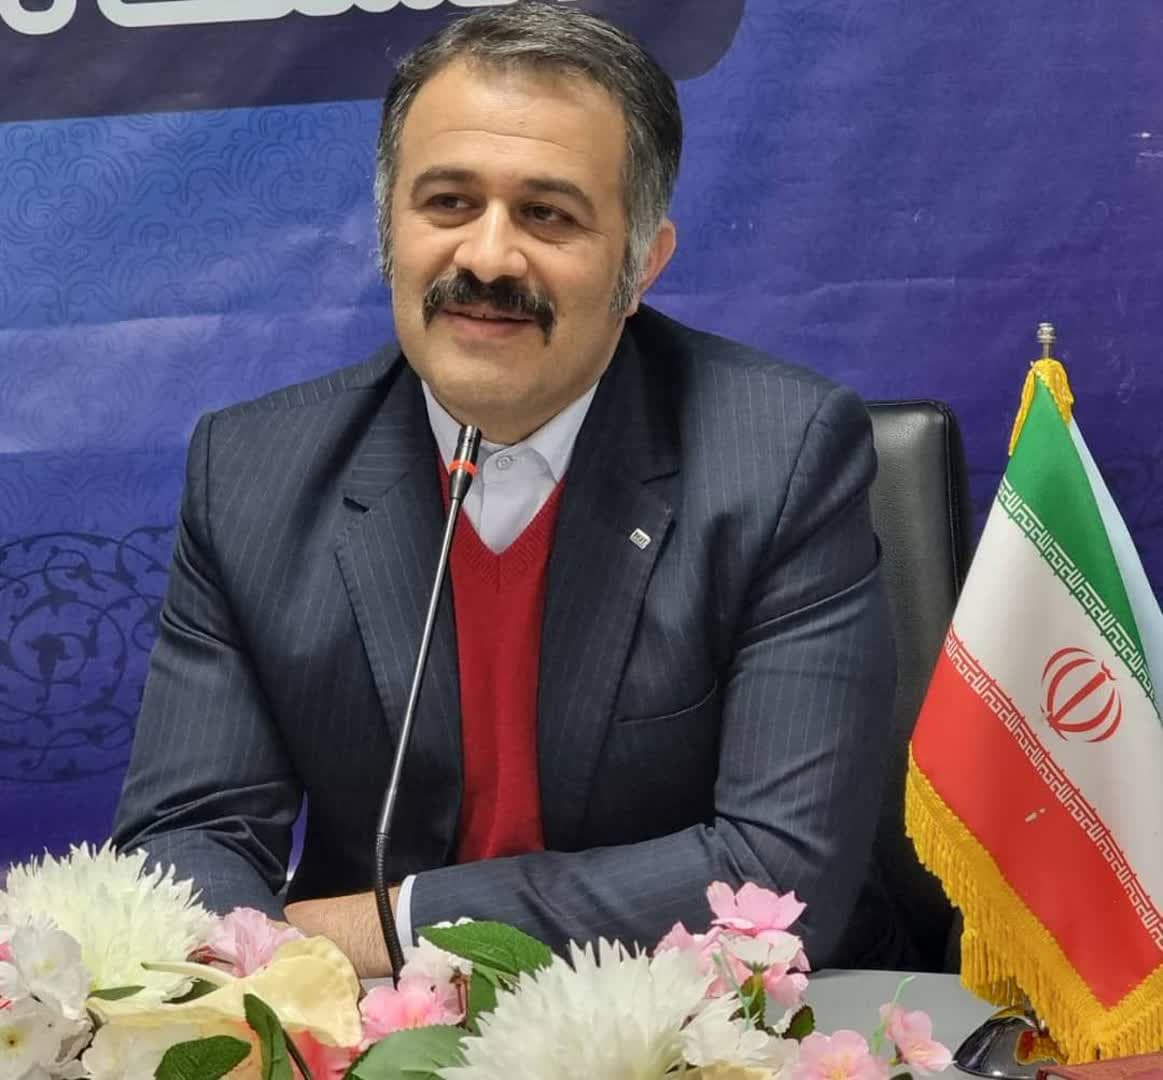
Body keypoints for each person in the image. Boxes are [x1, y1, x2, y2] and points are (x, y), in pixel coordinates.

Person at [114, 1, 908, 977]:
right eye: (448, 202)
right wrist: (266, 970)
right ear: (389, 230)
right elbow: (185, 837)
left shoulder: (779, 458)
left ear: (639, 265)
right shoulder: (252, 471)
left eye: (547, 214)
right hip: (366, 1025)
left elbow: (776, 878)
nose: (487, 257)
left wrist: (388, 929)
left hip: (702, 1017)